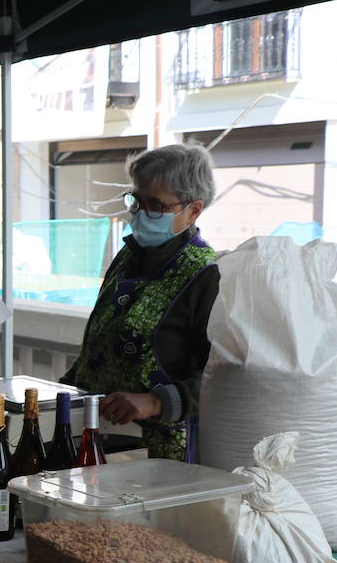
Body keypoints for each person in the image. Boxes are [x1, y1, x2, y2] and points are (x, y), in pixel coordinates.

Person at [61, 142, 220, 462]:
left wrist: (155, 401)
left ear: (194, 210)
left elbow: (222, 379)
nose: (142, 212)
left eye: (157, 205)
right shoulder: (127, 257)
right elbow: (99, 344)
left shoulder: (206, 276)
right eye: (137, 200)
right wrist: (63, 395)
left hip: (157, 450)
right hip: (94, 431)